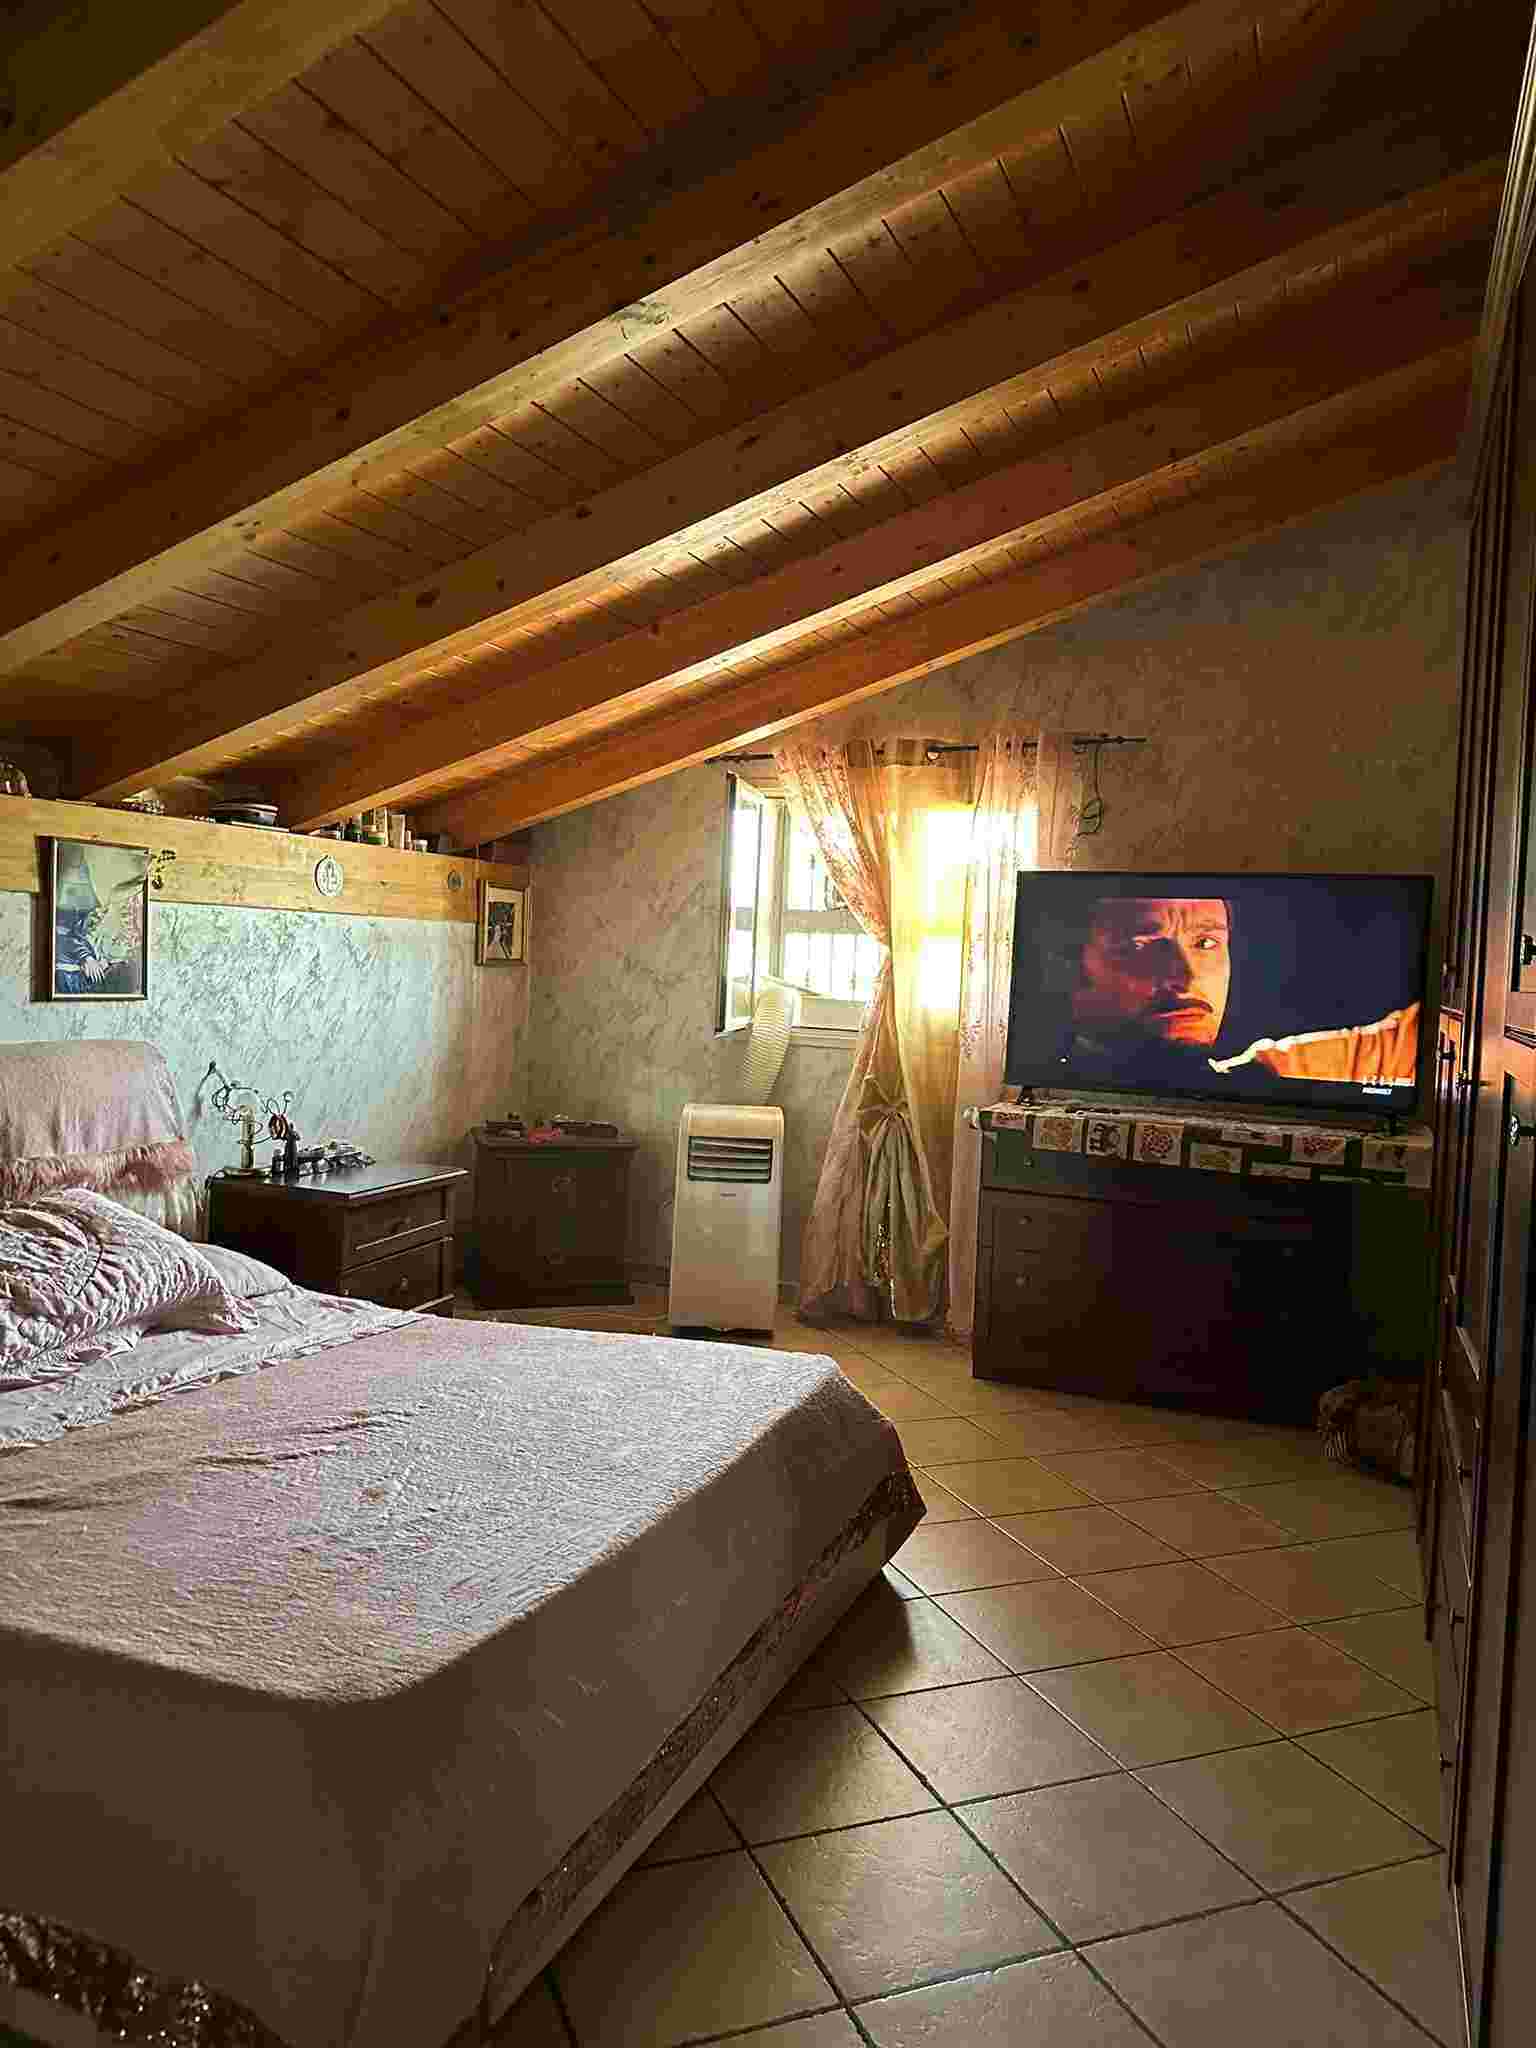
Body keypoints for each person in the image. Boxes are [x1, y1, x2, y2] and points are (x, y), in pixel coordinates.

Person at [1061, 894, 1418, 1092]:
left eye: (1206, 943)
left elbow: (1413, 1038)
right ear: (1072, 970)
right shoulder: (1048, 1090)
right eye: (1141, 946)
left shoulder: (1268, 1078)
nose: (1186, 976)